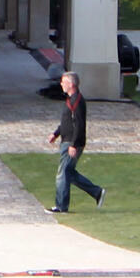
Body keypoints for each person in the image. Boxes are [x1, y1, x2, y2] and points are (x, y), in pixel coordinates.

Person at [48, 70, 105, 213]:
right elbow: (67, 122)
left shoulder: (77, 101)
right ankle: (97, 192)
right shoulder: (71, 100)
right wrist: (56, 133)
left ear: (71, 84)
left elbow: (79, 124)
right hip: (67, 140)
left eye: (64, 82)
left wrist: (73, 144)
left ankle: (61, 206)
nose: (61, 84)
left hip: (71, 143)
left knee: (62, 173)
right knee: (69, 173)